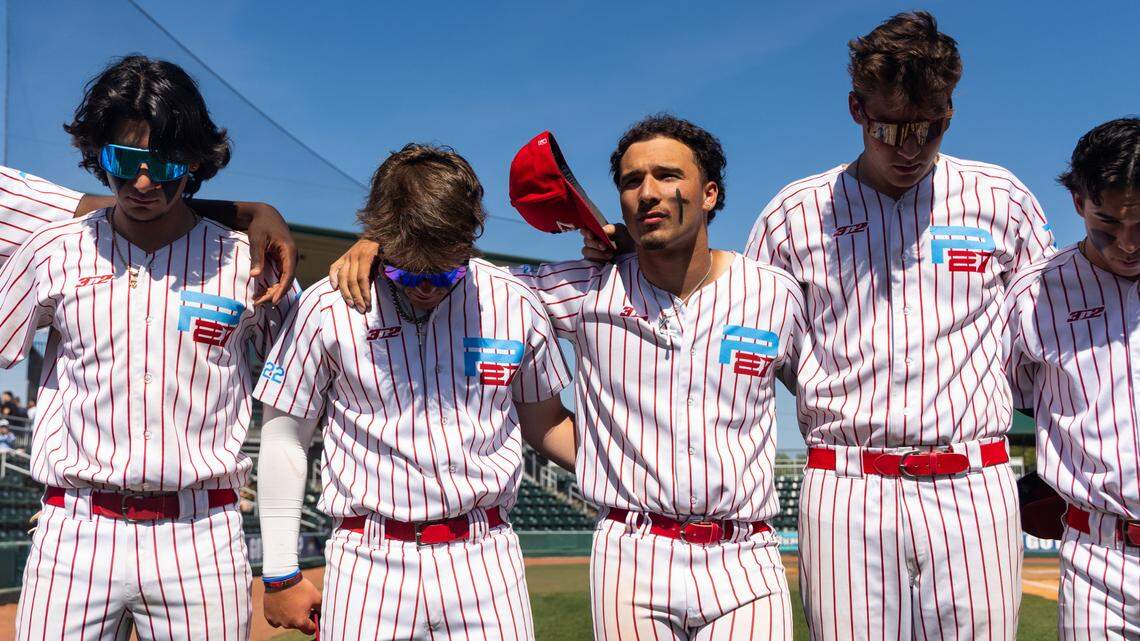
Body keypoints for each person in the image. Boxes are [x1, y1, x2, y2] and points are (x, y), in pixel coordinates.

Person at [327, 114, 805, 639]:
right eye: (632, 181)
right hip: (634, 547)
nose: (648, 192)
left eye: (668, 175)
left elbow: (821, 396)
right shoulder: (579, 287)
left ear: (709, 193)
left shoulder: (775, 293)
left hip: (747, 551)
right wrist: (381, 243)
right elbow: (457, 269)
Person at [740, 11, 1054, 640]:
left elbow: (1041, 335)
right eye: (890, 128)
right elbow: (764, 345)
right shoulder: (794, 214)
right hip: (846, 482)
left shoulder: (1002, 199)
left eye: (928, 127)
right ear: (856, 109)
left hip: (974, 479)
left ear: (950, 111)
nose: (910, 148)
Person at [0, 55, 296, 640]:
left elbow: (312, 378)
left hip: (201, 535)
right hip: (76, 530)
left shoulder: (247, 262)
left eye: (164, 163)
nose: (142, 182)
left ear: (195, 161)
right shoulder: (53, 250)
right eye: (123, 161)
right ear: (97, 153)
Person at [253, 143, 575, 639]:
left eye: (446, 273)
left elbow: (546, 422)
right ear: (378, 238)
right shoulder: (327, 306)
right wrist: (279, 571)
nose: (426, 288)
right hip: (369, 557)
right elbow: (283, 436)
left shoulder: (513, 301)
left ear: (471, 238)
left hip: (484, 554)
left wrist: (636, 477)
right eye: (406, 273)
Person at [1005, 117, 1140, 640]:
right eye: (1108, 223)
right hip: (1099, 557)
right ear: (1079, 201)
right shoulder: (1034, 295)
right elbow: (1001, 398)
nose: (1128, 243)